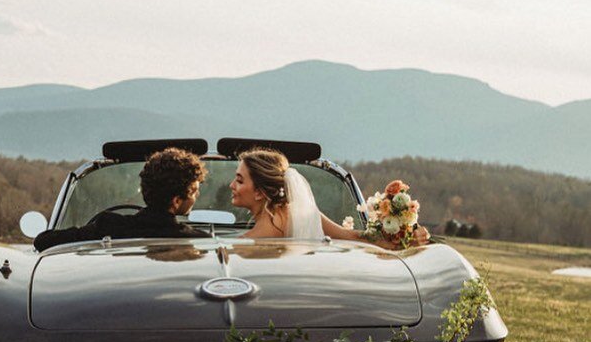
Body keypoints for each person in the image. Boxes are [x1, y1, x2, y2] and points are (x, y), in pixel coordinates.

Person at [229, 148, 430, 248]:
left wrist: (405, 237)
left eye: (239, 180)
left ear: (259, 192)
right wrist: (403, 241)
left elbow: (232, 251)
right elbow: (351, 236)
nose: (232, 185)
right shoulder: (298, 212)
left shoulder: (262, 231)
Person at [34, 147, 209, 251]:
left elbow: (43, 241)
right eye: (194, 192)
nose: (196, 196)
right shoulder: (197, 240)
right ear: (176, 201)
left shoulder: (109, 226)